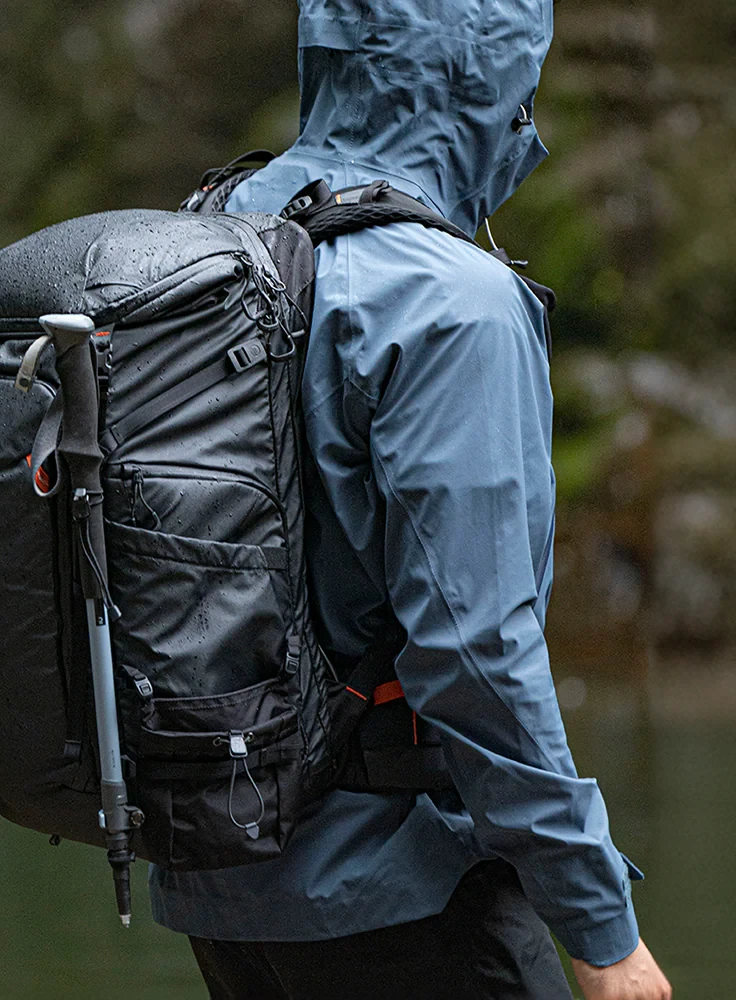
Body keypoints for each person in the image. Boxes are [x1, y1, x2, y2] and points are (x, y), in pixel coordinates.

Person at [150, 2, 672, 998]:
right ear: (487, 83)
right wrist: (600, 928)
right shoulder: (449, 303)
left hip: (220, 876)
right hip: (403, 882)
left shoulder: (201, 240)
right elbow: (475, 655)